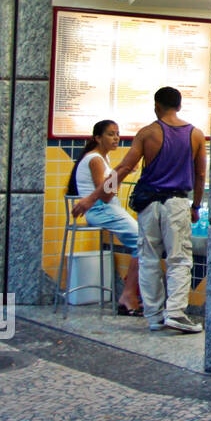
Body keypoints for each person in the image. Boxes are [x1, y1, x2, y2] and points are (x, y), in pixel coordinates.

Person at [78, 87, 206, 334]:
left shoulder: (147, 133)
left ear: (156, 105)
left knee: (148, 258)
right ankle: (177, 313)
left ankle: (154, 316)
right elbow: (200, 175)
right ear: (179, 106)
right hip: (177, 203)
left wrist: (94, 197)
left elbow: (125, 167)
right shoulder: (196, 135)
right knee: (179, 259)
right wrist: (196, 206)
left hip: (148, 205)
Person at [67, 119, 142, 316]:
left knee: (143, 242)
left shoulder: (102, 158)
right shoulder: (95, 160)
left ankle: (131, 285)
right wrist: (122, 172)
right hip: (101, 210)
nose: (116, 138)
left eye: (117, 133)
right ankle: (128, 294)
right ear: (97, 138)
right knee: (143, 242)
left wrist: (119, 170)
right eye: (110, 134)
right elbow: (106, 194)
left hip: (104, 209)